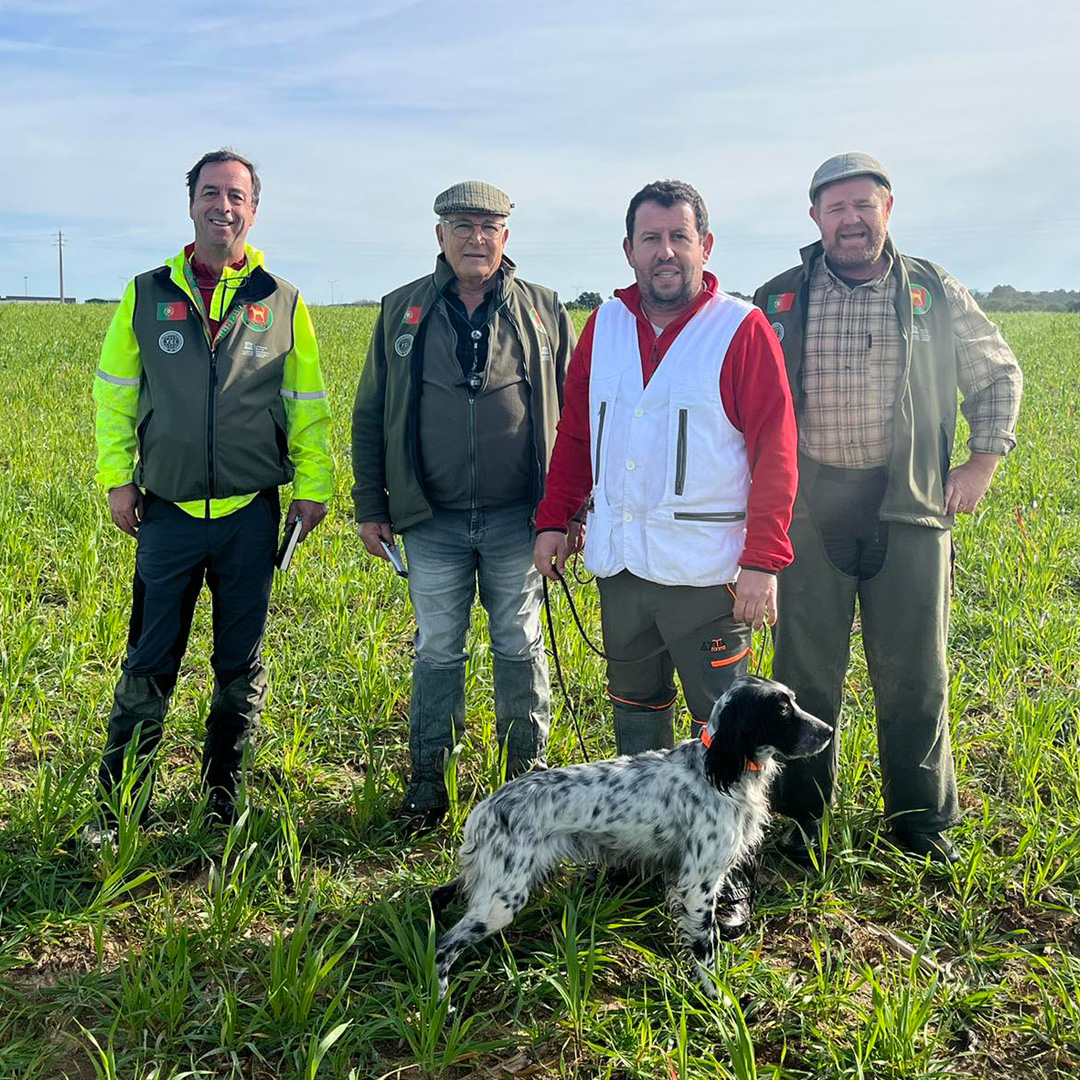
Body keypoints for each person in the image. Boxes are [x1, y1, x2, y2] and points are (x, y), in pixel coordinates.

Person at [755, 153, 1023, 864]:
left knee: (915, 671)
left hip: (908, 505)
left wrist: (982, 462)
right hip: (809, 511)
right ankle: (797, 822)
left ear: (888, 210)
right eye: (836, 207)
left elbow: (998, 374)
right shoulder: (778, 298)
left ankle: (921, 821)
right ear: (815, 217)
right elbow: (742, 408)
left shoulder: (931, 293)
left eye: (863, 205)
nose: (851, 219)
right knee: (804, 673)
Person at [90, 148, 332, 832]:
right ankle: (118, 808)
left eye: (236, 196)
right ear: (190, 201)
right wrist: (118, 478)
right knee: (148, 659)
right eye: (210, 193)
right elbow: (115, 396)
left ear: (253, 210)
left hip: (248, 515)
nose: (223, 206)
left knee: (238, 664)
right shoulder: (147, 293)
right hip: (164, 512)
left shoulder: (281, 301)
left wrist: (314, 488)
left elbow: (305, 402)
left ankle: (222, 800)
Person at [351, 181, 577, 833]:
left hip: (519, 520)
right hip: (431, 519)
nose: (476, 237)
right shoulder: (401, 311)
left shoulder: (543, 310)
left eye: (488, 225)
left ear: (507, 237)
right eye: (462, 225)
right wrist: (372, 504)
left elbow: (574, 418)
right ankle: (430, 781)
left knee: (518, 640)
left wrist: (567, 511)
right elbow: (370, 414)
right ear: (440, 236)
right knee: (439, 648)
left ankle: (525, 782)